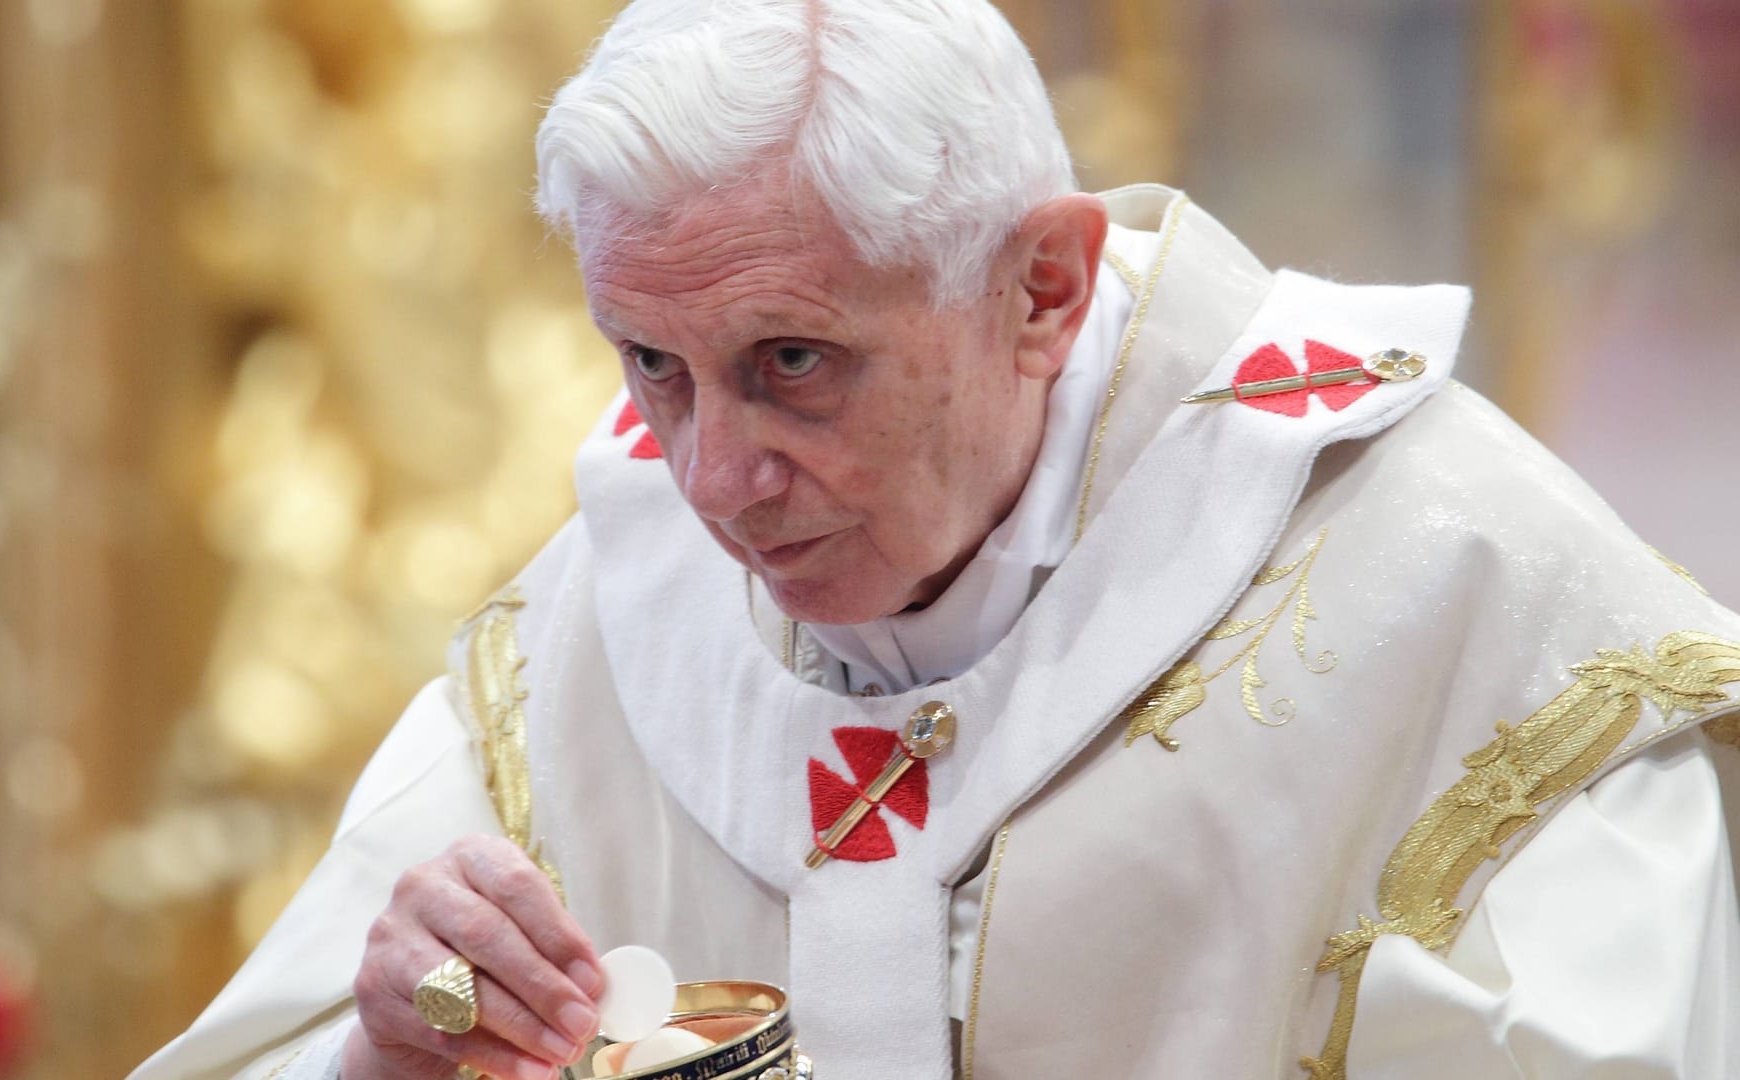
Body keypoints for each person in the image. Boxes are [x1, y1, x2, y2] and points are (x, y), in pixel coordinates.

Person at [133, 1, 1740, 1077]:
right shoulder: (601, 628)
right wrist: (387, 1056)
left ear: (1038, 290)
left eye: (792, 364)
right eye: (650, 366)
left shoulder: (1471, 619)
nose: (707, 480)